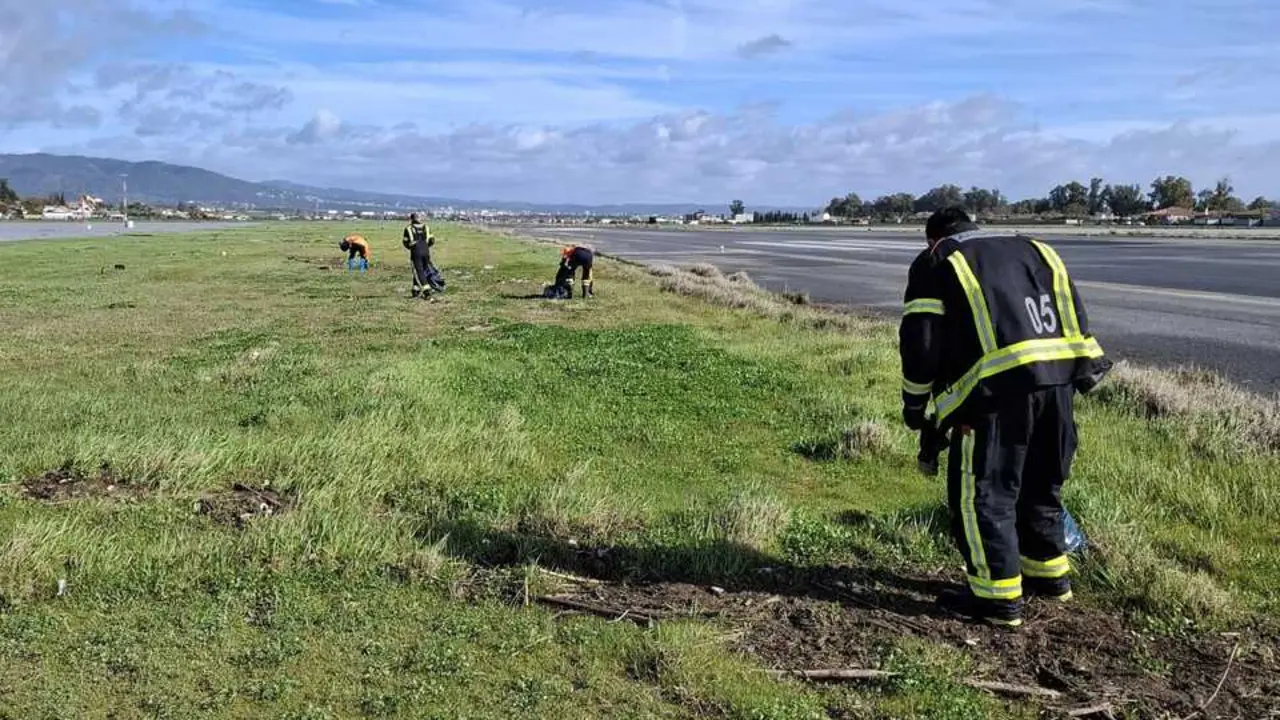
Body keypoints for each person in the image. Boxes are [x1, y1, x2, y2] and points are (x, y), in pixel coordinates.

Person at [898, 207, 1112, 628]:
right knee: (1041, 487)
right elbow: (1073, 314)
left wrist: (915, 406)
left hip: (995, 396)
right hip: (1058, 384)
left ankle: (996, 600)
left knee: (985, 495)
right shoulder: (1037, 248)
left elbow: (921, 341)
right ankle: (1050, 579)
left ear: (932, 238)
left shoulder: (938, 259)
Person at [402, 213, 442, 297]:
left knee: (418, 271)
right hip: (426, 250)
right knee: (424, 269)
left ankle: (426, 290)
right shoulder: (426, 227)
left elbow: (405, 242)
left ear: (411, 219)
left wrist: (412, 247)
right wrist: (426, 247)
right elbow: (432, 240)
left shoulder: (408, 228)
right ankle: (415, 289)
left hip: (416, 251)